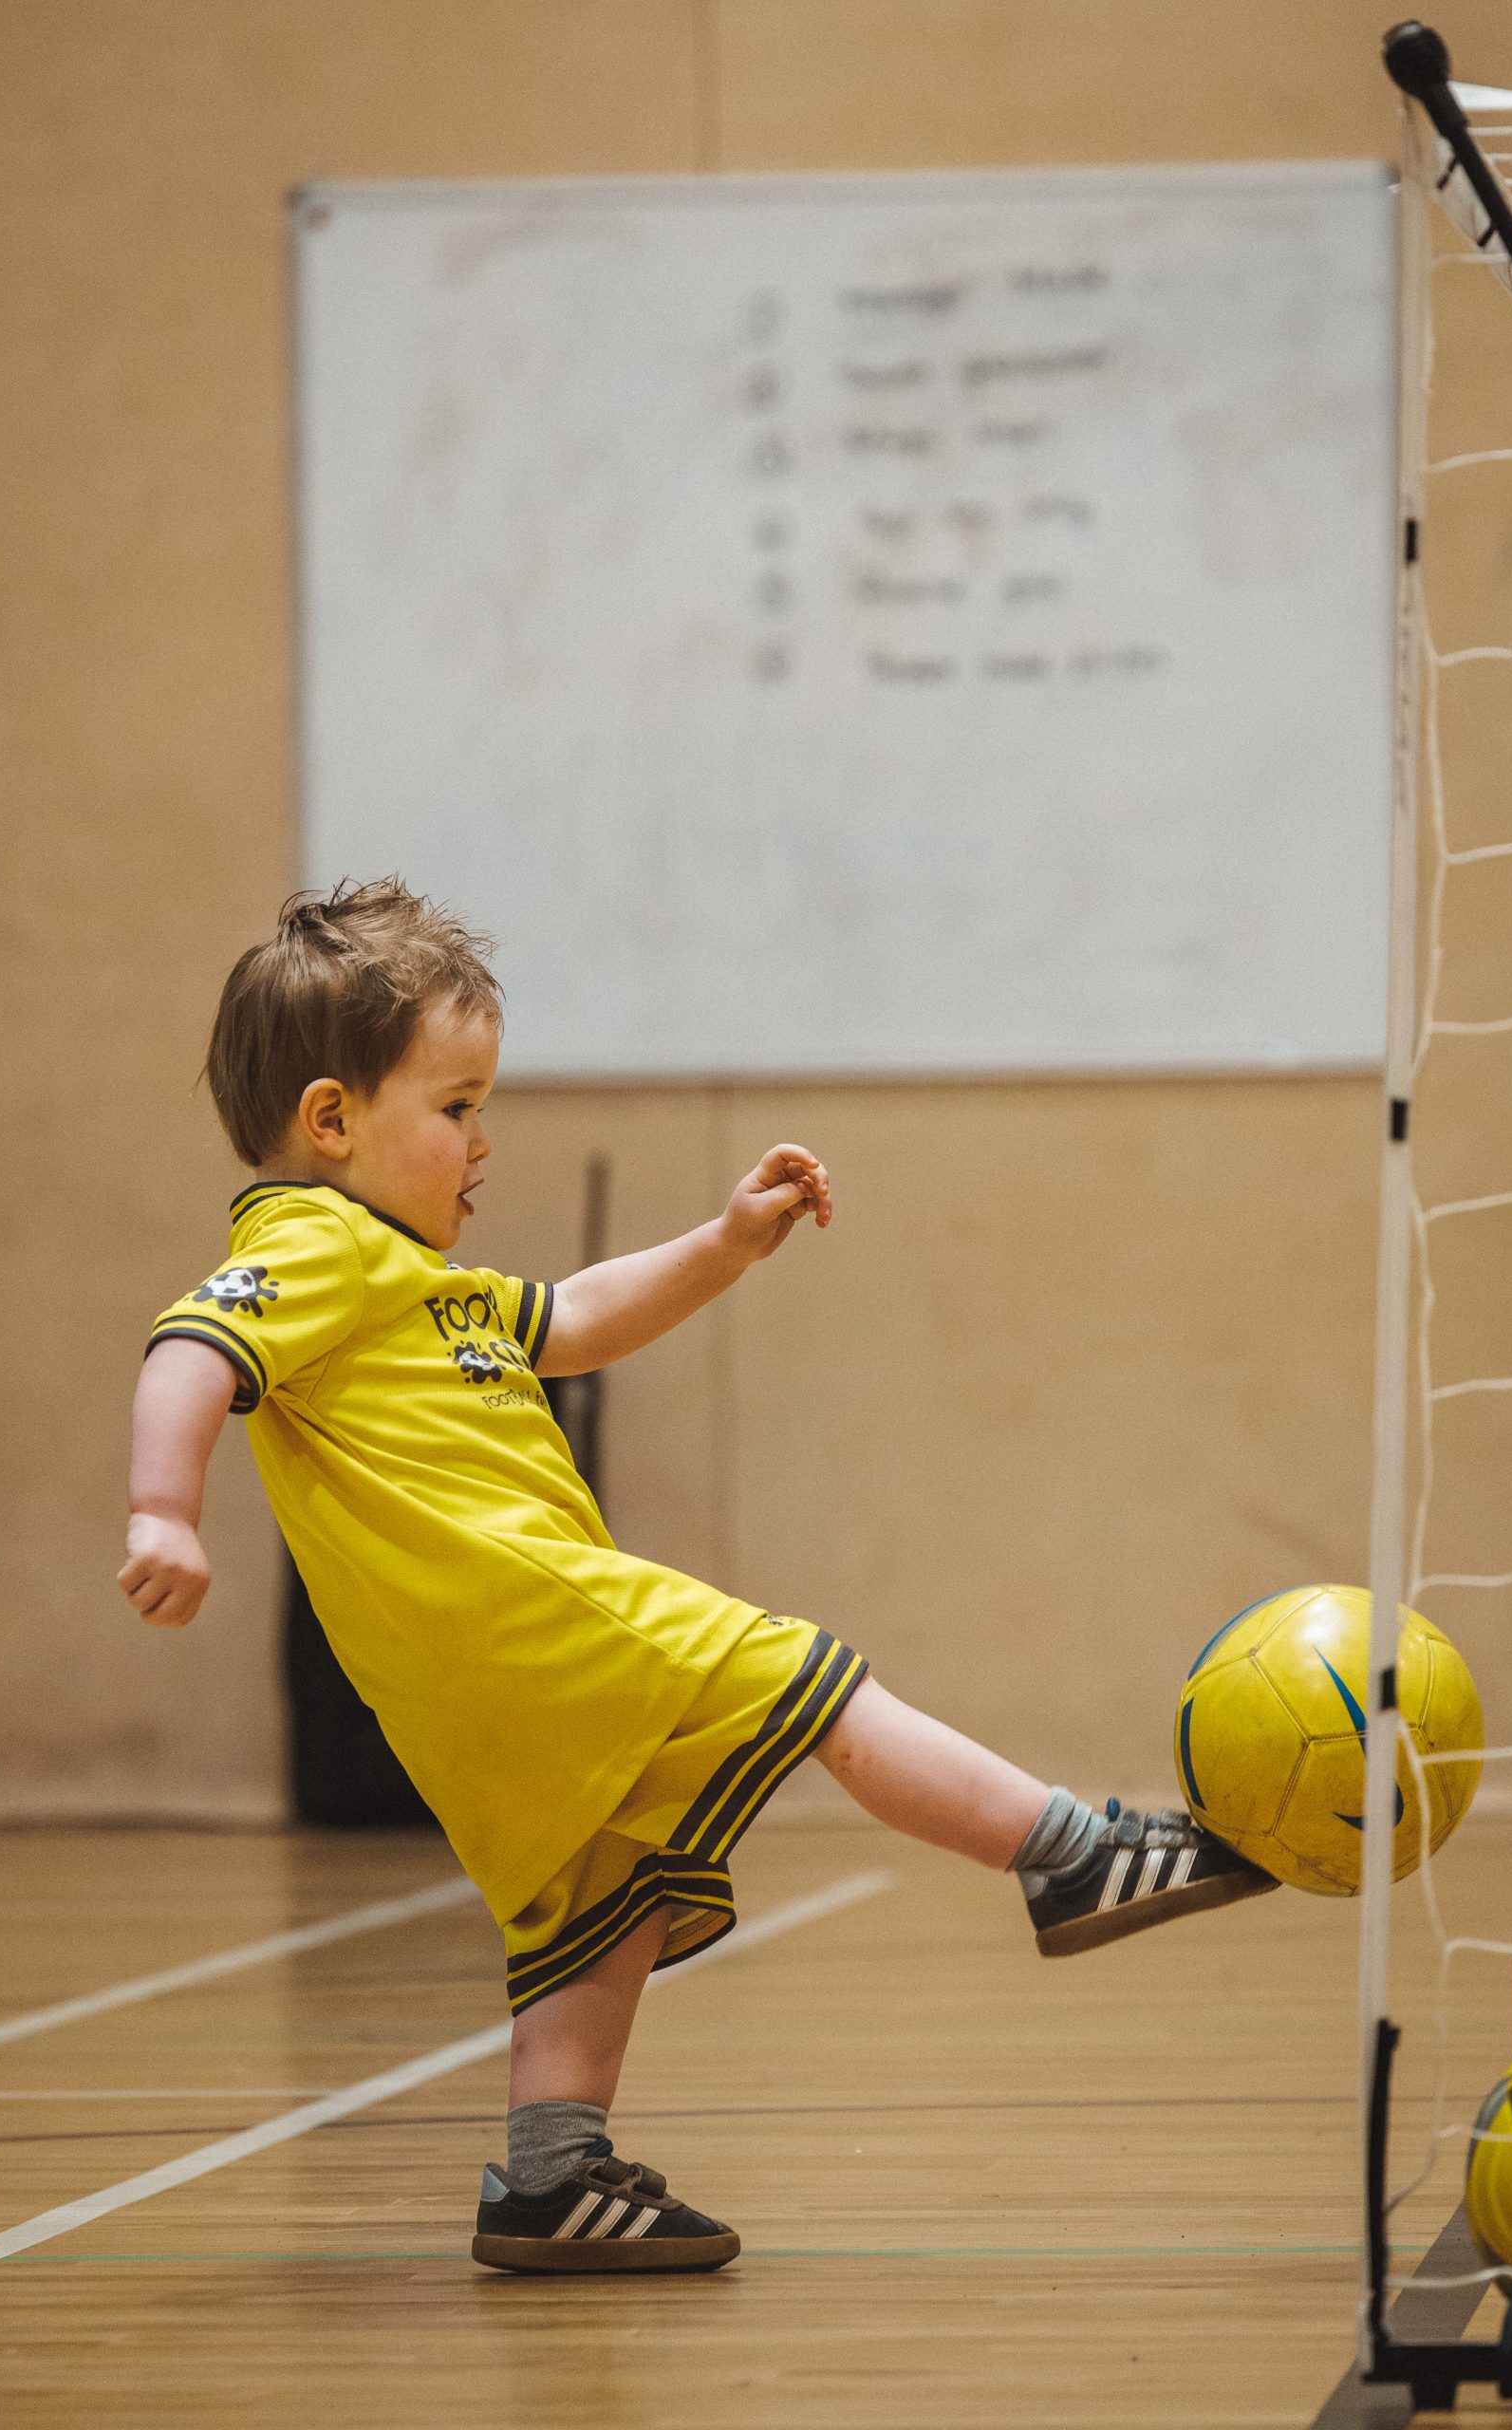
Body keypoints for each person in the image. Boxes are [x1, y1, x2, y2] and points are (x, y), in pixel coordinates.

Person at [119, 879, 1275, 2276]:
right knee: (813, 1684)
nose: (484, 1140)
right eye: (458, 1107)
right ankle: (1072, 1855)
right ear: (332, 1122)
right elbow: (193, 1346)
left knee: (605, 1898)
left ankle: (549, 2177)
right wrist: (162, 1507)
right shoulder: (310, 1243)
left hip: (471, 1689)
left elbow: (582, 1316)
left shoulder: (419, 1284)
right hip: (535, 1613)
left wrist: (725, 1243)